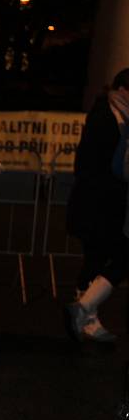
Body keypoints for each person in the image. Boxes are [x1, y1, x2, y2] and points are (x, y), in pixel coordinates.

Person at [66, 68, 129, 342]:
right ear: (123, 89)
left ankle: (84, 313)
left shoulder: (119, 115)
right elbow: (94, 164)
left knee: (98, 258)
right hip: (97, 204)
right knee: (101, 257)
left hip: (107, 204)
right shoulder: (106, 114)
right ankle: (85, 314)